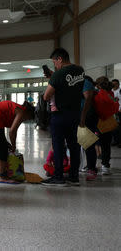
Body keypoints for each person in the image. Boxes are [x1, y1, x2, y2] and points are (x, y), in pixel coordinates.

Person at [41, 48, 84, 186]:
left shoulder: (58, 74)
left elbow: (47, 96)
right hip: (75, 114)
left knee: (58, 146)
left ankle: (58, 177)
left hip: (60, 115)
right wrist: (55, 77)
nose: (55, 65)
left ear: (59, 59)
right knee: (74, 145)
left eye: (55, 62)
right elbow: (68, 84)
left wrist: (53, 79)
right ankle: (74, 177)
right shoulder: (80, 70)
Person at [0, 100, 35, 183]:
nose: (25, 119)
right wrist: (14, 145)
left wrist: (7, 142)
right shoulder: (21, 112)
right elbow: (12, 131)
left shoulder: (18, 109)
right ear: (28, 113)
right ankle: (2, 176)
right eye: (28, 118)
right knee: (0, 148)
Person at [95, 76, 114, 175]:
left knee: (99, 143)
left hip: (100, 121)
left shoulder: (98, 94)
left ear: (98, 85)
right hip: (109, 121)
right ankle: (105, 165)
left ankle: (94, 165)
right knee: (107, 144)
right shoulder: (111, 93)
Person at [111, 79, 121, 148]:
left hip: (119, 112)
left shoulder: (120, 91)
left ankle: (120, 142)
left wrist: (119, 109)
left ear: (118, 84)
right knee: (113, 127)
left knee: (119, 128)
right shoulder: (111, 91)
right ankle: (115, 140)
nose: (114, 85)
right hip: (112, 112)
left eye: (115, 83)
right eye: (113, 84)